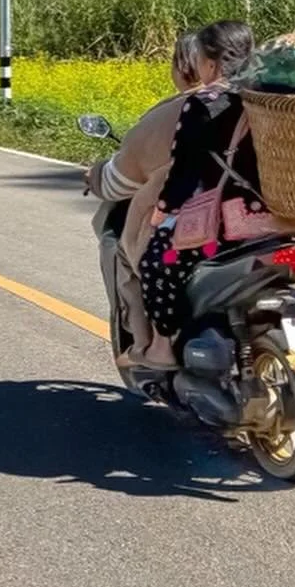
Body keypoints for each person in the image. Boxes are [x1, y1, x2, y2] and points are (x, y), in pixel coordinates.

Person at [138, 20, 262, 366]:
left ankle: (162, 346)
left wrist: (162, 210)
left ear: (211, 61)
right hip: (286, 219)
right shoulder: (270, 96)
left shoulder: (206, 102)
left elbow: (184, 169)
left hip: (228, 228)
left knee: (158, 260)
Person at [85, 30, 208, 369]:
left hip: (201, 226)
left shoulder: (178, 111)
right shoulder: (261, 105)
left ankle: (150, 345)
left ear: (186, 67)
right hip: (269, 224)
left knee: (134, 255)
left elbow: (119, 179)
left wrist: (95, 178)